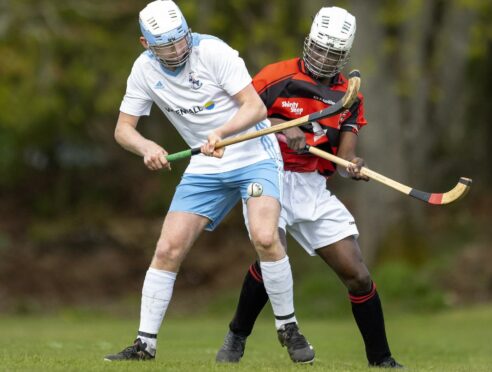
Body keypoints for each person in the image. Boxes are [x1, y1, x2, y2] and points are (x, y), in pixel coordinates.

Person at [104, 0, 314, 364]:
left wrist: (220, 131)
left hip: (253, 153)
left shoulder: (213, 51)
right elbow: (124, 129)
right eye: (165, 45)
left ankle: (288, 326)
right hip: (205, 164)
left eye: (180, 40)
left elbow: (255, 108)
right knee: (168, 248)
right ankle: (144, 344)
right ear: (145, 44)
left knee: (265, 237)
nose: (176, 50)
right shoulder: (142, 70)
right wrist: (146, 147)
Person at [215, 6, 403, 369]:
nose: (323, 58)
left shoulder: (348, 95)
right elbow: (243, 114)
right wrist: (285, 127)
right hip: (266, 175)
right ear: (308, 42)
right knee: (273, 253)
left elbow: (345, 155)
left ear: (344, 56)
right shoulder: (275, 76)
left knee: (358, 274)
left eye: (333, 54)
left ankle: (381, 360)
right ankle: (237, 334)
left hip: (312, 187)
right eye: (318, 49)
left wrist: (353, 165)